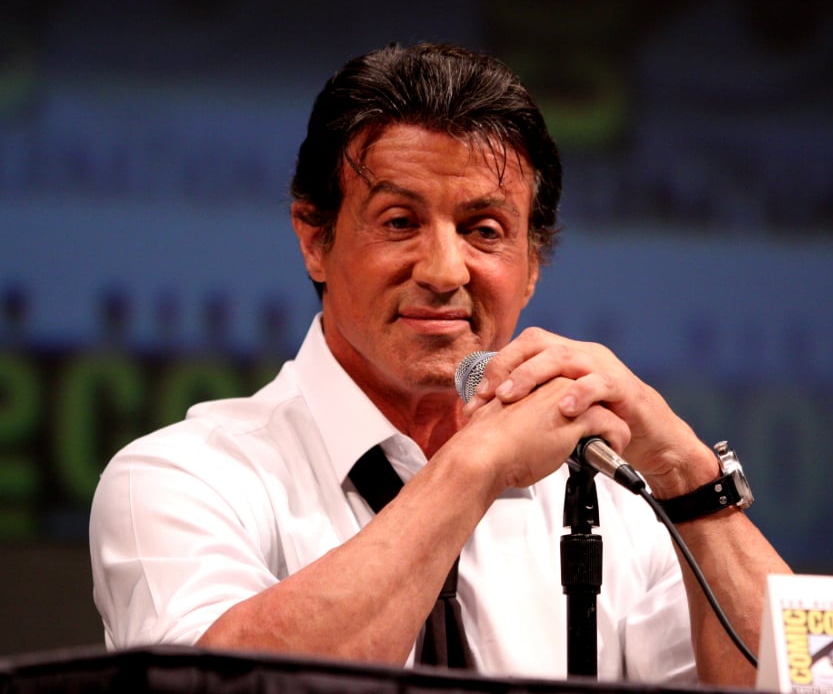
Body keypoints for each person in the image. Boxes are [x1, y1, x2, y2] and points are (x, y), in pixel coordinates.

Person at [89, 42, 790, 687]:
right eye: (399, 222)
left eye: (485, 232)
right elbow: (222, 686)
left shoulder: (612, 500)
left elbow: (812, 681)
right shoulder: (179, 479)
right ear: (314, 238)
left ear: (532, 266)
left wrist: (689, 479)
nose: (445, 269)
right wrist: (471, 467)